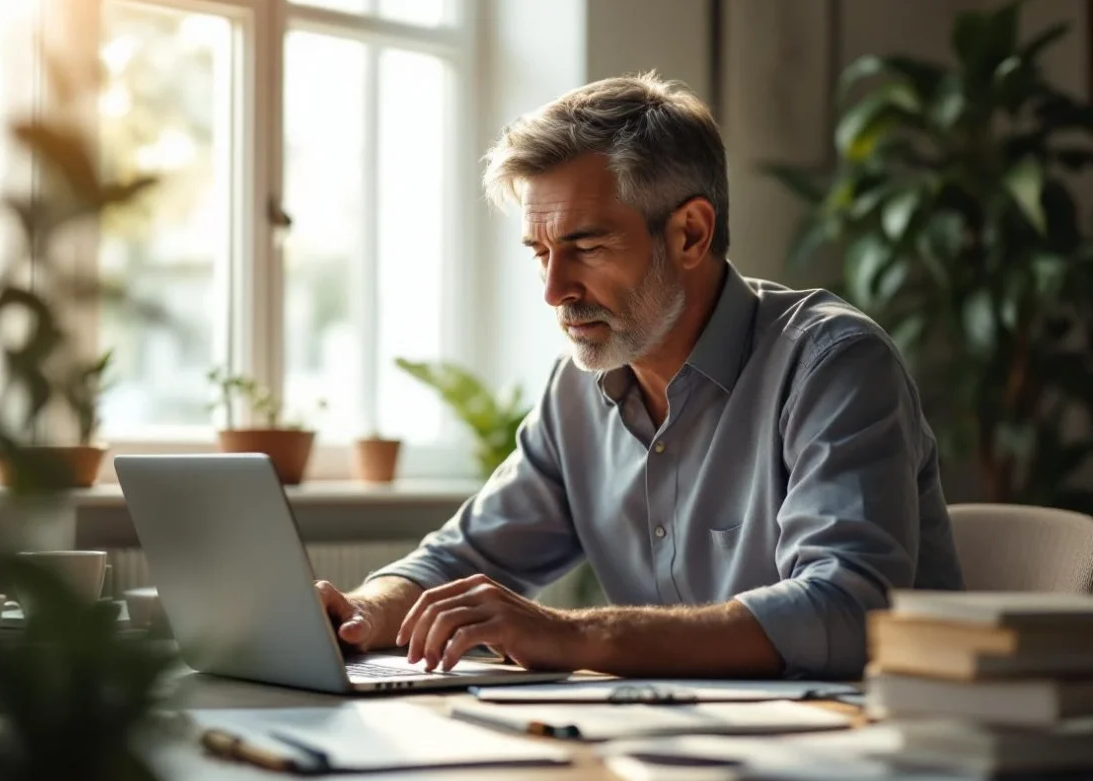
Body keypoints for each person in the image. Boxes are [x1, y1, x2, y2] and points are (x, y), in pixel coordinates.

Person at [315, 71, 964, 680]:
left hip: (868, 758)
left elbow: (847, 611)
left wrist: (573, 636)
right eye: (540, 253)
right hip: (675, 746)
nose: (554, 291)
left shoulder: (832, 362)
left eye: (587, 248)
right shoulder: (575, 392)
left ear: (689, 234)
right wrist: (363, 613)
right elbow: (461, 561)